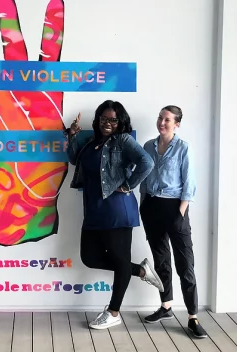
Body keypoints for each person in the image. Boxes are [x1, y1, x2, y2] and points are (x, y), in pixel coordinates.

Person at [65, 100, 164, 330]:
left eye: (112, 120)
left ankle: (113, 311)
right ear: (97, 120)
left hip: (117, 208)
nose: (107, 123)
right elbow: (74, 159)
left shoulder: (123, 140)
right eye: (103, 119)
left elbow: (146, 162)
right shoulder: (92, 142)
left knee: (119, 260)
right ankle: (140, 270)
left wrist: (129, 185)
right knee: (89, 257)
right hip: (94, 209)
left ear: (120, 122)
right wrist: (71, 136)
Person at [139, 105, 207, 339]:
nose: (162, 122)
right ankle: (166, 306)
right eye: (160, 117)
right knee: (161, 260)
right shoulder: (148, 146)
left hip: (174, 207)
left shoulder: (183, 148)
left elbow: (189, 183)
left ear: (176, 124)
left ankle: (192, 316)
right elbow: (144, 176)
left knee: (184, 263)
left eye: (167, 119)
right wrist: (144, 202)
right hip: (151, 206)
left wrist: (180, 211)